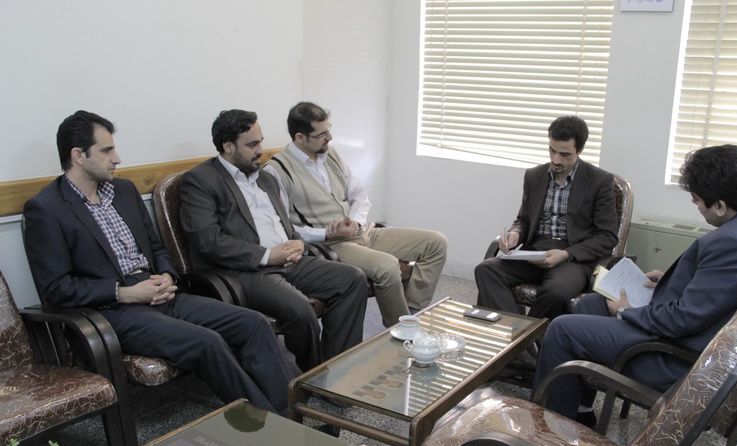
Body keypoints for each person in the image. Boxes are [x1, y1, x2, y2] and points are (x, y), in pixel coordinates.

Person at [23, 111, 298, 414]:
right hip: (114, 310)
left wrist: (167, 275)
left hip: (160, 292)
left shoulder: (123, 191)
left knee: (253, 323)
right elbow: (56, 288)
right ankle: (267, 424)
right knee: (207, 342)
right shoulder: (46, 209)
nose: (117, 158)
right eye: (106, 150)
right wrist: (124, 293)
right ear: (78, 155)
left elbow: (156, 247)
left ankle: (291, 414)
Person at [534, 144, 737, 423]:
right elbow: (726, 290)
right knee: (591, 303)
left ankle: (550, 428)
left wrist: (625, 311)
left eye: (697, 201)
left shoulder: (735, 244)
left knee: (563, 330)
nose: (696, 207)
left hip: (680, 358)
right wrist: (674, 282)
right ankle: (580, 412)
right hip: (705, 332)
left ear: (721, 206)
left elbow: (683, 319)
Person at [180, 110, 369, 371]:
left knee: (353, 279)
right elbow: (208, 241)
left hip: (291, 259)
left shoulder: (266, 178)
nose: (261, 150)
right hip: (247, 270)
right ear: (228, 146)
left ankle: (338, 365)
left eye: (260, 141)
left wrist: (298, 242)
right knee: (300, 310)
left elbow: (285, 224)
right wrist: (267, 256)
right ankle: (315, 375)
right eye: (252, 145)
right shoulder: (201, 181)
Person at [265, 102, 448, 327]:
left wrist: (355, 222)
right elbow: (283, 229)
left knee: (435, 242)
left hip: (362, 232)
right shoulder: (276, 171)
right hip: (330, 246)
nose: (330, 137)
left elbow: (359, 194)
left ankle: (410, 314)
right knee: (388, 266)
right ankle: (401, 332)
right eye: (322, 134)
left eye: (329, 130)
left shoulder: (330, 154)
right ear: (300, 138)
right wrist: (325, 233)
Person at [474, 115, 619, 321]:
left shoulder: (599, 181)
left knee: (556, 292)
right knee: (486, 270)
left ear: (579, 150)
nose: (556, 160)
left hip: (573, 259)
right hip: (534, 252)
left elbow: (607, 236)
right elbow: (524, 219)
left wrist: (566, 254)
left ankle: (523, 336)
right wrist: (515, 234)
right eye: (552, 150)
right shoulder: (534, 176)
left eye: (564, 154)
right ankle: (517, 332)